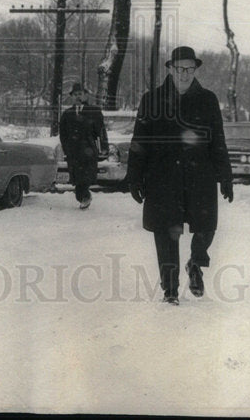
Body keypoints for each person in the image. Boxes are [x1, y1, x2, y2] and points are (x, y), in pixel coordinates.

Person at [127, 46, 233, 305]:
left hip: (200, 176)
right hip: (163, 178)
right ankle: (170, 290)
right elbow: (139, 140)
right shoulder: (152, 100)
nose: (185, 74)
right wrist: (134, 176)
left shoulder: (207, 100)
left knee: (206, 227)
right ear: (171, 69)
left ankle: (196, 262)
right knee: (165, 232)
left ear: (195, 70)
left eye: (190, 69)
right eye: (180, 68)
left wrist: (225, 176)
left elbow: (217, 140)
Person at [58, 81, 108, 209]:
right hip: (73, 152)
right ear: (72, 97)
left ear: (86, 95)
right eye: (75, 94)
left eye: (80, 94)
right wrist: (66, 149)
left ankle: (84, 197)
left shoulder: (94, 111)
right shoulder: (67, 114)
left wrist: (103, 148)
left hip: (88, 150)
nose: (78, 97)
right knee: (76, 178)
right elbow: (63, 134)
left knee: (85, 178)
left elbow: (101, 132)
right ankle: (83, 197)